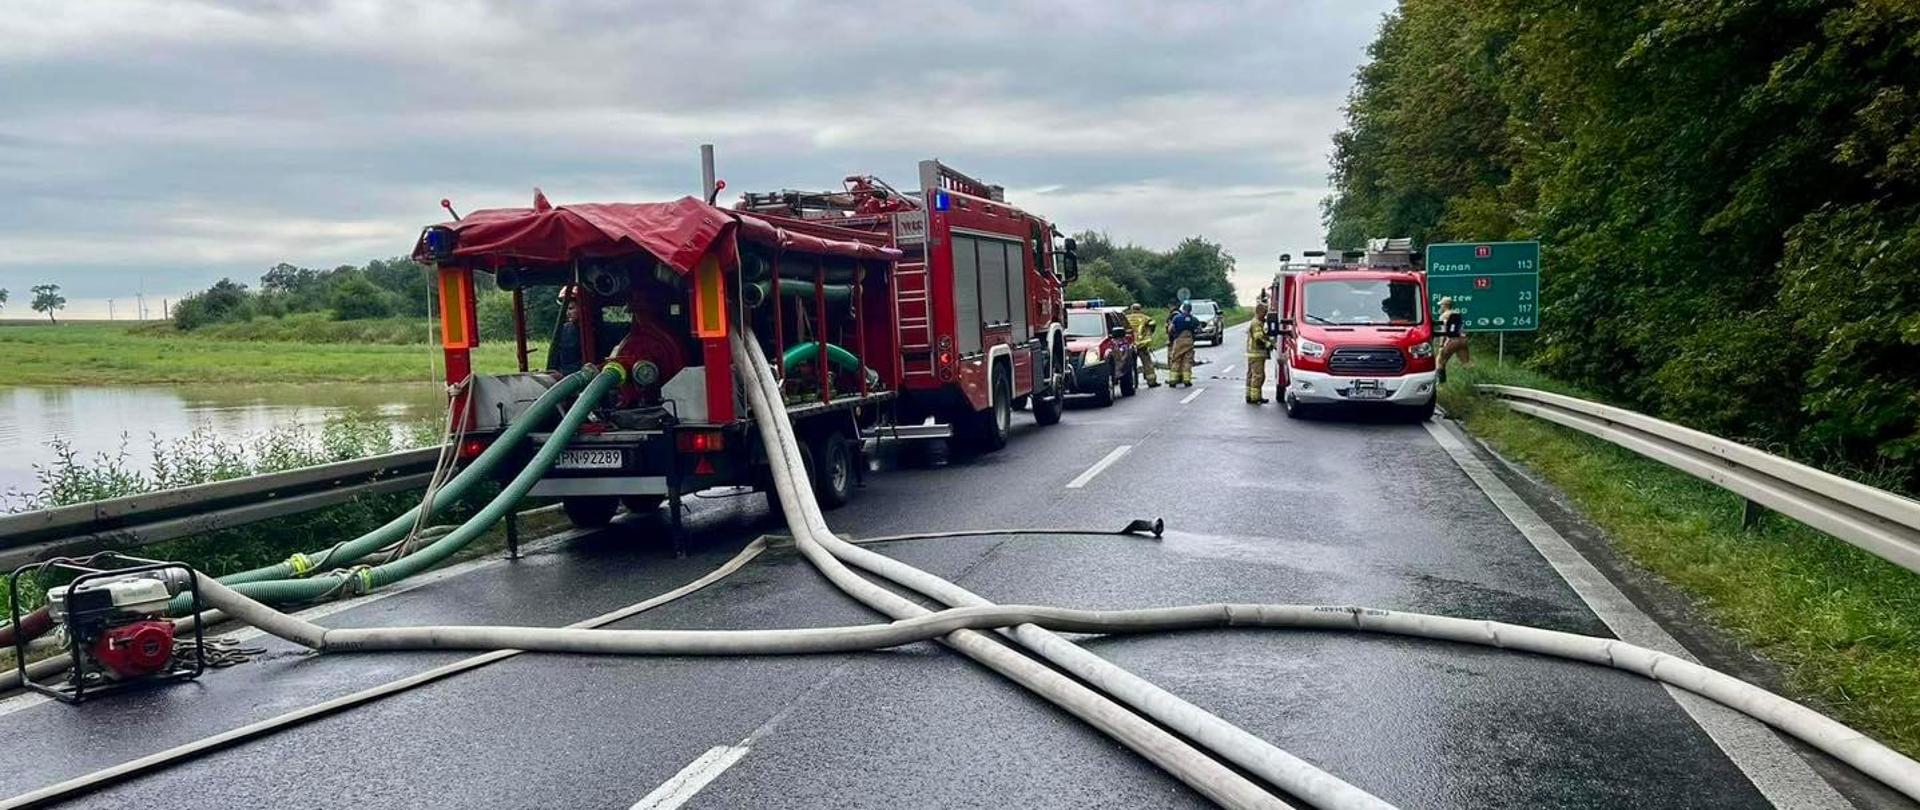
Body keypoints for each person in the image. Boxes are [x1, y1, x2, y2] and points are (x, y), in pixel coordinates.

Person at [1435, 296, 1470, 383]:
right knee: (1466, 363)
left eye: (1441, 305)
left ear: (1445, 305)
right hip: (1462, 340)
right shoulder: (1457, 314)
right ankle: (1474, 379)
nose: (1440, 307)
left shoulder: (1443, 316)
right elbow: (1462, 329)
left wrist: (1441, 345)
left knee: (1439, 361)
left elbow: (1444, 332)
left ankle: (1441, 383)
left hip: (1452, 340)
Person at [1125, 303, 1160, 388]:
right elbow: (1153, 324)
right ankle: (1151, 381)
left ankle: (1132, 383)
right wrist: (1149, 333)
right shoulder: (1145, 318)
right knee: (1147, 363)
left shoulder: (1126, 318)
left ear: (1131, 309)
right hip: (1142, 344)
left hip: (1130, 345)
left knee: (1130, 365)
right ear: (1140, 309)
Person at [1244, 302, 1273, 404]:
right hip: (1257, 353)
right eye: (1264, 313)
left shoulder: (1256, 322)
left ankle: (1249, 395)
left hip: (1252, 353)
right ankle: (1255, 397)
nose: (1265, 315)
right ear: (1259, 311)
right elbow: (1258, 337)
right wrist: (1269, 344)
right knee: (1258, 376)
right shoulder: (1256, 323)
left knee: (1251, 375)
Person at [1167, 302, 1200, 387]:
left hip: (1179, 341)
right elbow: (1199, 329)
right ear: (1190, 309)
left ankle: (1173, 380)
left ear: (1183, 308)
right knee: (1187, 361)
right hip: (1189, 341)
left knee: (1176, 359)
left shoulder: (1176, 318)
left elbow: (1170, 329)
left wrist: (1171, 336)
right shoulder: (1194, 319)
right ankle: (1186, 380)